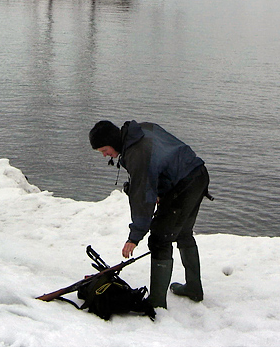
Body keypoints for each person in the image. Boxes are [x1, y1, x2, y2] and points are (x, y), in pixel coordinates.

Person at [89, 119, 210, 309]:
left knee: (160, 240)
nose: (105, 155)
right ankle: (194, 289)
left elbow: (142, 199)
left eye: (104, 150)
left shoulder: (137, 154)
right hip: (198, 174)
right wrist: (162, 190)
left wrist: (134, 237)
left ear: (112, 141)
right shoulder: (142, 129)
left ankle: (156, 303)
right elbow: (165, 158)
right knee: (183, 233)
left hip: (184, 186)